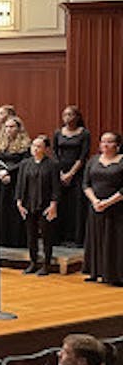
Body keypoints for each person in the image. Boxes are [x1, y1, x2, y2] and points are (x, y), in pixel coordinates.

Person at [82, 132, 123, 286]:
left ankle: (115, 275)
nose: (105, 145)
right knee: (96, 238)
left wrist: (108, 202)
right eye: (102, 142)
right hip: (96, 206)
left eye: (109, 142)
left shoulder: (122, 162)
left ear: (117, 145)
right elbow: (86, 184)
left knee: (114, 240)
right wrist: (95, 201)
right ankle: (96, 271)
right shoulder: (93, 161)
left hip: (117, 208)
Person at [16, 135, 60, 275]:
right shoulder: (25, 163)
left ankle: (46, 264)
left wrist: (54, 204)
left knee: (47, 235)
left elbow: (55, 186)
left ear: (45, 149)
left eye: (39, 146)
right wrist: (19, 201)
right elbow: (20, 184)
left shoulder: (52, 165)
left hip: (45, 204)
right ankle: (33, 262)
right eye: (33, 145)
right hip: (28, 203)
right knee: (31, 235)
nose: (35, 148)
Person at [53, 105, 91, 246]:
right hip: (60, 172)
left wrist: (71, 173)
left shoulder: (84, 133)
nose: (67, 117)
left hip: (77, 172)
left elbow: (83, 155)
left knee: (76, 205)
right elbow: (55, 153)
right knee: (61, 203)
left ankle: (76, 238)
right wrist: (61, 173)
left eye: (70, 114)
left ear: (77, 117)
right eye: (65, 115)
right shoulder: (58, 133)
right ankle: (60, 237)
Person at [0, 116, 31, 248]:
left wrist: (9, 171)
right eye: (7, 127)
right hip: (2, 180)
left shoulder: (26, 145)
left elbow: (25, 162)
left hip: (17, 180)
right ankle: (3, 239)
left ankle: (17, 240)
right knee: (2, 208)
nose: (9, 129)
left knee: (15, 209)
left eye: (12, 127)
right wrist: (0, 171)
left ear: (19, 128)